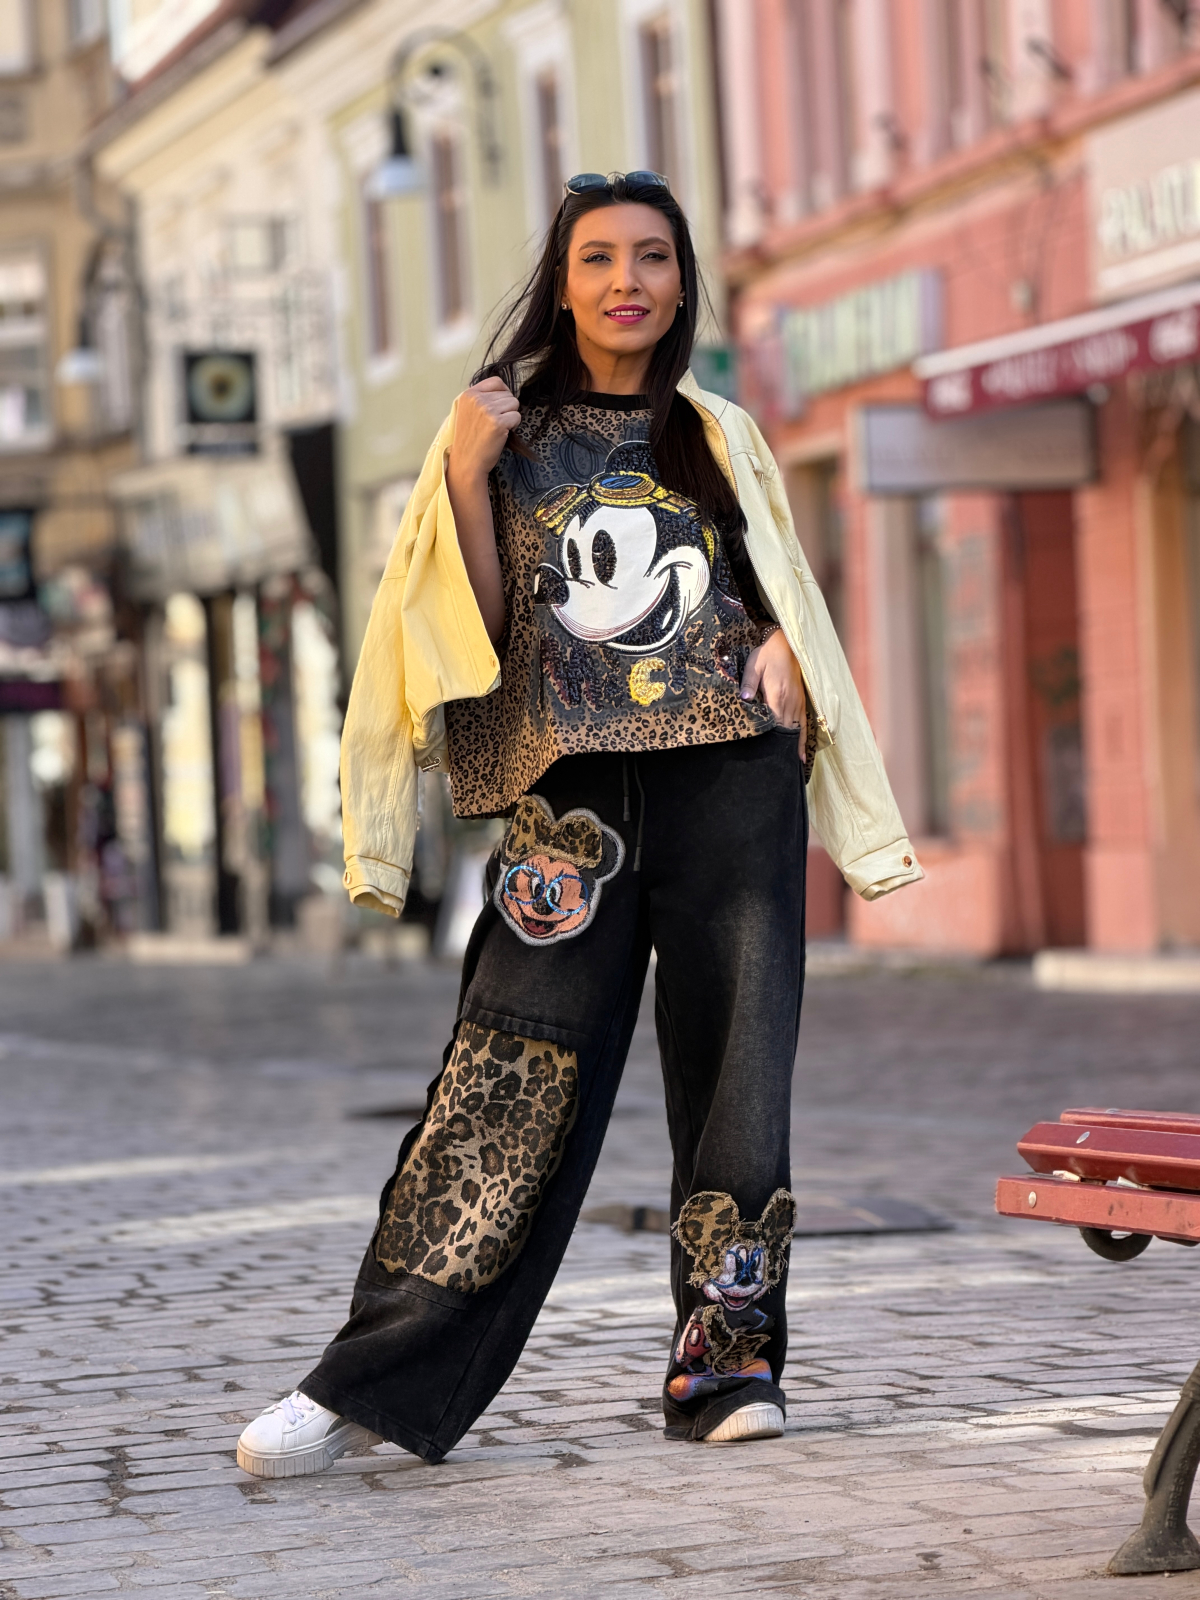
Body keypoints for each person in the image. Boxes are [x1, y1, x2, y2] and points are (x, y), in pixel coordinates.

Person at [236, 171, 922, 1478]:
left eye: (653, 257)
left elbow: (774, 588)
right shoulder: (498, 428)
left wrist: (784, 647)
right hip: (571, 808)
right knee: (502, 1088)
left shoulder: (716, 429)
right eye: (600, 258)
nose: (628, 282)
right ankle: (365, 1383)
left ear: (682, 280)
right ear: (562, 282)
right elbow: (477, 625)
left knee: (741, 1090)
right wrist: (461, 466)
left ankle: (728, 1367)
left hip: (733, 784)